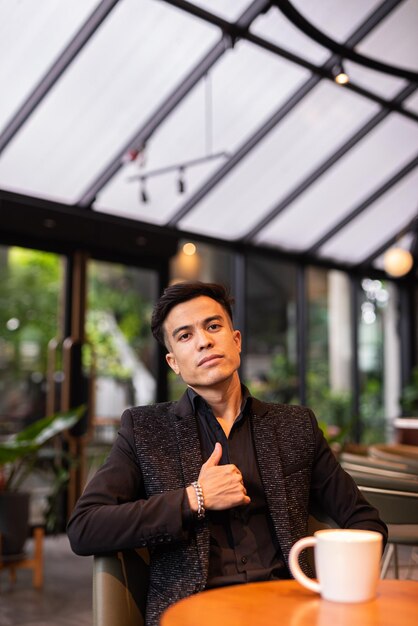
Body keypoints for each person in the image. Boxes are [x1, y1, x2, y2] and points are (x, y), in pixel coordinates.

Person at [67, 281, 387, 626]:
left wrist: (335, 584)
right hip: (194, 613)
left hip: (291, 608)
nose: (204, 340)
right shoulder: (145, 430)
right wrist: (194, 499)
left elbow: (365, 521)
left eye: (213, 326)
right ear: (174, 362)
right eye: (185, 336)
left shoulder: (295, 425)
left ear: (236, 340)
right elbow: (85, 527)